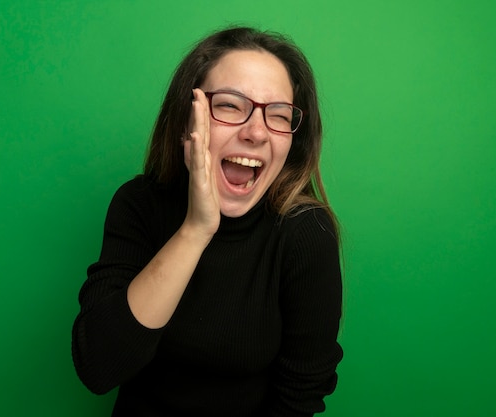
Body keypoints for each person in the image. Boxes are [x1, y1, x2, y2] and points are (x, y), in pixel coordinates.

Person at [72, 26, 343, 416]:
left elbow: (299, 398)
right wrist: (196, 229)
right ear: (187, 120)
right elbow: (98, 367)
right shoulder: (139, 205)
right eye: (231, 105)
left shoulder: (305, 233)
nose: (256, 133)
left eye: (279, 115)